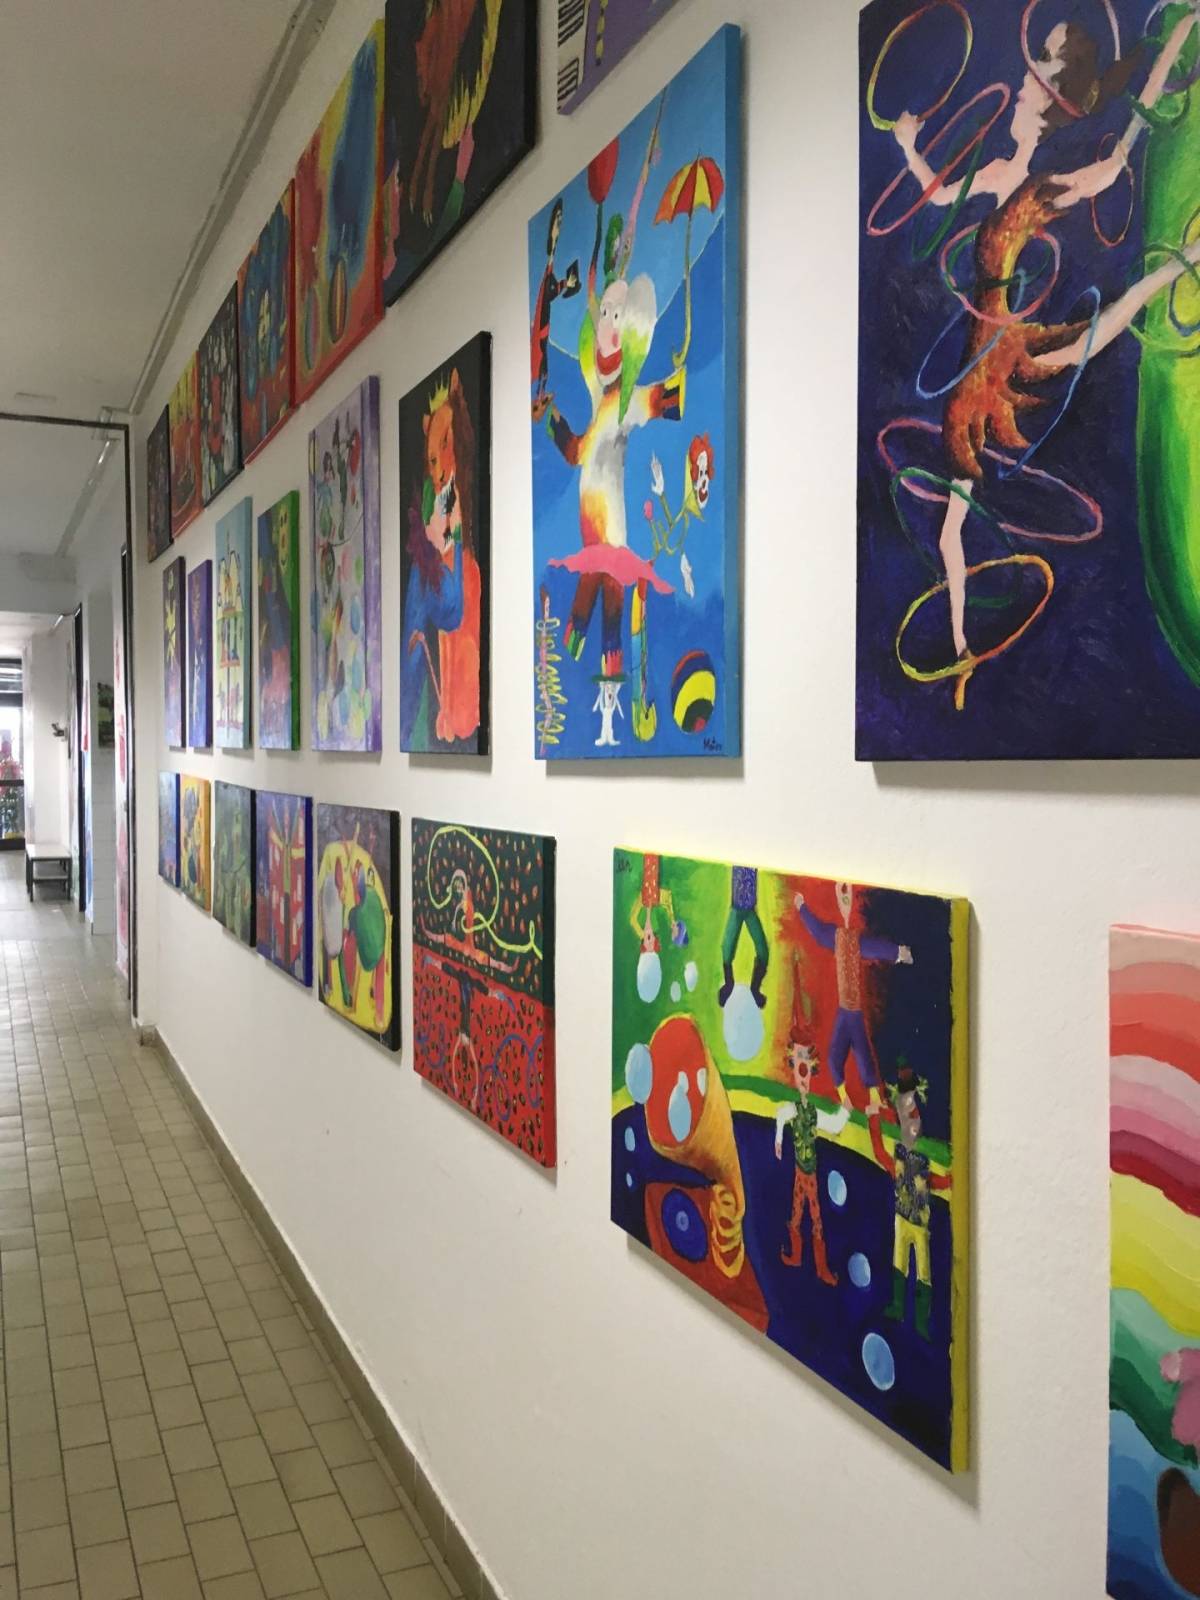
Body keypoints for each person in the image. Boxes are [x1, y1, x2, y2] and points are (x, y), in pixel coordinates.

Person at [888, 10, 1200, 686]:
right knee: (949, 527)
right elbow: (939, 196)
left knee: (1115, 317)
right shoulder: (1005, 172)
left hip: (1007, 347)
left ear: (1051, 100)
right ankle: (963, 649)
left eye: (1034, 80)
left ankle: (1188, 259)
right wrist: (910, 146)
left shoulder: (1042, 188)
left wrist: (1175, 40)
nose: (1021, 88)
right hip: (979, 361)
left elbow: (1116, 162)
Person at [795, 883, 912, 1110]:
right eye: (842, 896)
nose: (845, 900)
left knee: (861, 1056)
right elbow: (818, 931)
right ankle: (846, 1100)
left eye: (847, 896)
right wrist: (802, 908)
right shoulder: (837, 936)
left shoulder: (854, 940)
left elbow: (877, 948)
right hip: (845, 1011)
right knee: (836, 1058)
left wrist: (899, 952)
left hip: (853, 1011)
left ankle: (873, 1100)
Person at [774, 966, 850, 1283]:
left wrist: (845, 1109)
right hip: (800, 1172)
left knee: (813, 1216)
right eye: (798, 1063)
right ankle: (798, 1256)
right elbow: (782, 1115)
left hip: (808, 1172)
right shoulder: (795, 1109)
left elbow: (833, 1124)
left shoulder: (812, 1112)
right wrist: (779, 1139)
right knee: (799, 1213)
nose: (803, 1073)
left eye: (806, 1063)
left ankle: (819, 1266)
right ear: (793, 1064)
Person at [867, 1062, 951, 1339]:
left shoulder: (919, 1160)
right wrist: (873, 1119)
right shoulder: (901, 1157)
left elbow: (932, 1183)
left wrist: (952, 1179)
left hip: (919, 1223)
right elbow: (879, 1153)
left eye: (913, 1118)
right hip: (902, 1219)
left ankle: (921, 1320)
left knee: (923, 1271)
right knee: (899, 1263)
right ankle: (898, 1306)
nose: (911, 1124)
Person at [718, 866, 769, 1010]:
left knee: (763, 952)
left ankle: (755, 989)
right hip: (737, 908)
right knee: (727, 949)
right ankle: (729, 984)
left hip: (750, 909)